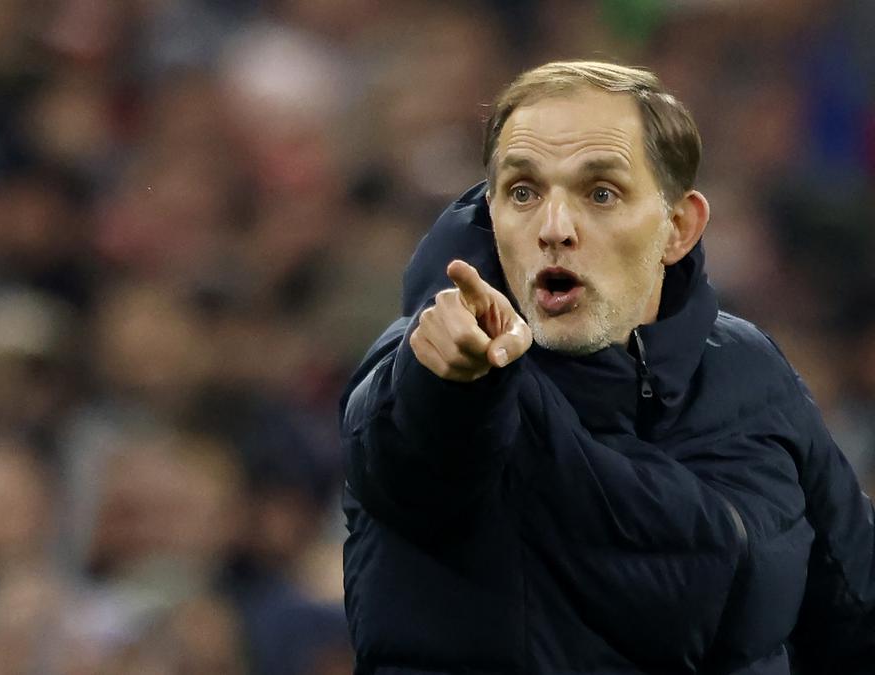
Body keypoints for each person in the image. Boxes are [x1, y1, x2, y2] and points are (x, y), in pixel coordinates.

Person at [339, 61, 875, 675]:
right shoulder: (433, 358)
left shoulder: (751, 371)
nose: (554, 229)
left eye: (600, 193)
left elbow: (857, 610)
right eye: (523, 192)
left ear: (678, 227)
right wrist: (451, 384)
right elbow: (410, 450)